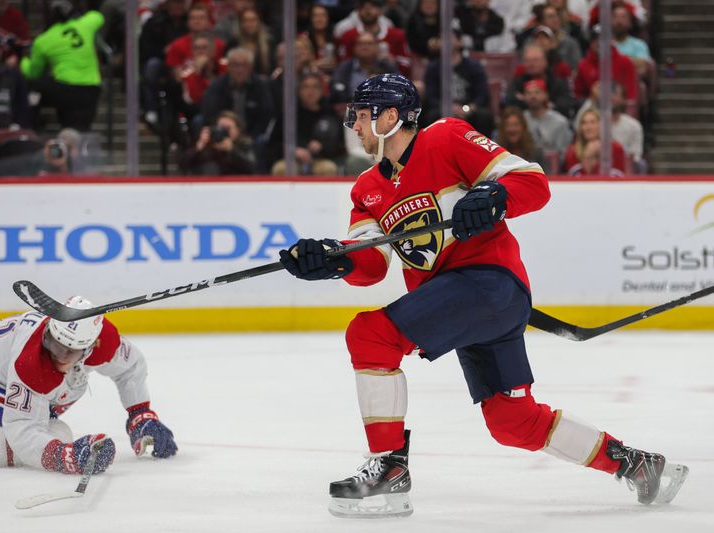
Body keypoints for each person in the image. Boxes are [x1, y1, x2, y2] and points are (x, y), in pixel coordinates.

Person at [278, 73, 687, 518]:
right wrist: (334, 262)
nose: (353, 126)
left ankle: (389, 470)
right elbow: (371, 266)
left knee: (370, 335)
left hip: (489, 284)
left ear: (389, 116)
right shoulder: (366, 190)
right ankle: (638, 466)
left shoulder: (447, 137)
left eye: (359, 116)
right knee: (513, 422)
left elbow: (532, 182)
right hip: (464, 302)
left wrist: (495, 194)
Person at [0, 296, 178, 474]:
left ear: (91, 346)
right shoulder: (32, 360)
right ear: (49, 331)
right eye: (55, 345)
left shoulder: (103, 343)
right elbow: (23, 431)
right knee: (57, 434)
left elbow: (131, 367)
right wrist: (64, 457)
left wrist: (139, 414)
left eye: (70, 352)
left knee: (49, 425)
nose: (59, 357)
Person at [20, 0, 103, 131]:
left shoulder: (43, 40)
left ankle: (30, 127)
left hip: (66, 90)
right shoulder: (85, 25)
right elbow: (98, 16)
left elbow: (32, 73)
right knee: (80, 130)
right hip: (92, 90)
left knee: (34, 86)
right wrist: (78, 16)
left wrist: (22, 61)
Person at [180, 109, 255, 175]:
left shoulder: (245, 144)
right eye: (221, 127)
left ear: (238, 130)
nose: (224, 131)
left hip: (237, 186)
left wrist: (232, 150)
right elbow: (183, 165)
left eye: (228, 128)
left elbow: (252, 168)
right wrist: (198, 149)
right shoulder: (207, 144)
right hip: (207, 186)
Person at [565, 107, 627, 175]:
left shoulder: (616, 148)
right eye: (584, 123)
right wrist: (587, 156)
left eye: (593, 122)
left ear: (601, 125)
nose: (588, 127)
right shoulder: (573, 150)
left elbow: (620, 178)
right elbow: (573, 180)